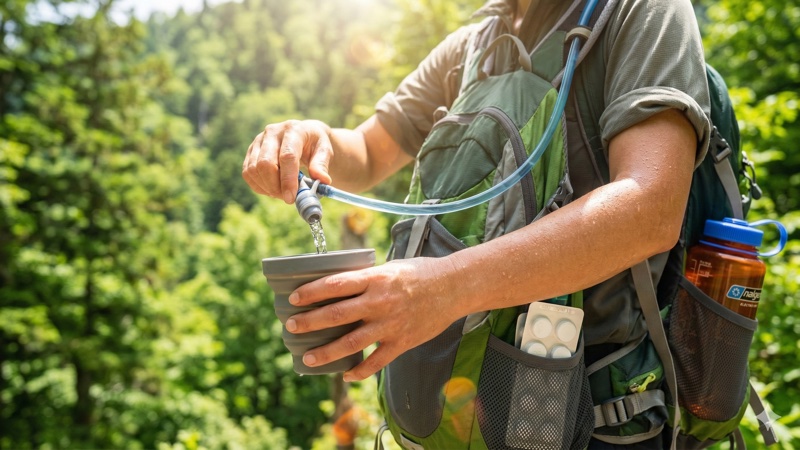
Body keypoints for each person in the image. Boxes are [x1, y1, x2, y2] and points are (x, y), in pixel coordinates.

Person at [242, 0, 711, 448]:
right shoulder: (471, 46)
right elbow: (366, 154)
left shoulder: (637, 12)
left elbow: (650, 209)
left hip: (596, 424)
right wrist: (309, 138)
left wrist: (446, 290)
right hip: (458, 421)